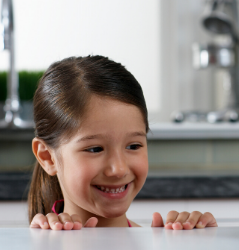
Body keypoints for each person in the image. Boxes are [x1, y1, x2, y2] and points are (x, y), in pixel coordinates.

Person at [28, 55, 217, 230]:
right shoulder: (41, 242)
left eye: (133, 146)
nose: (118, 169)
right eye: (95, 149)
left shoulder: (163, 241)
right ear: (48, 157)